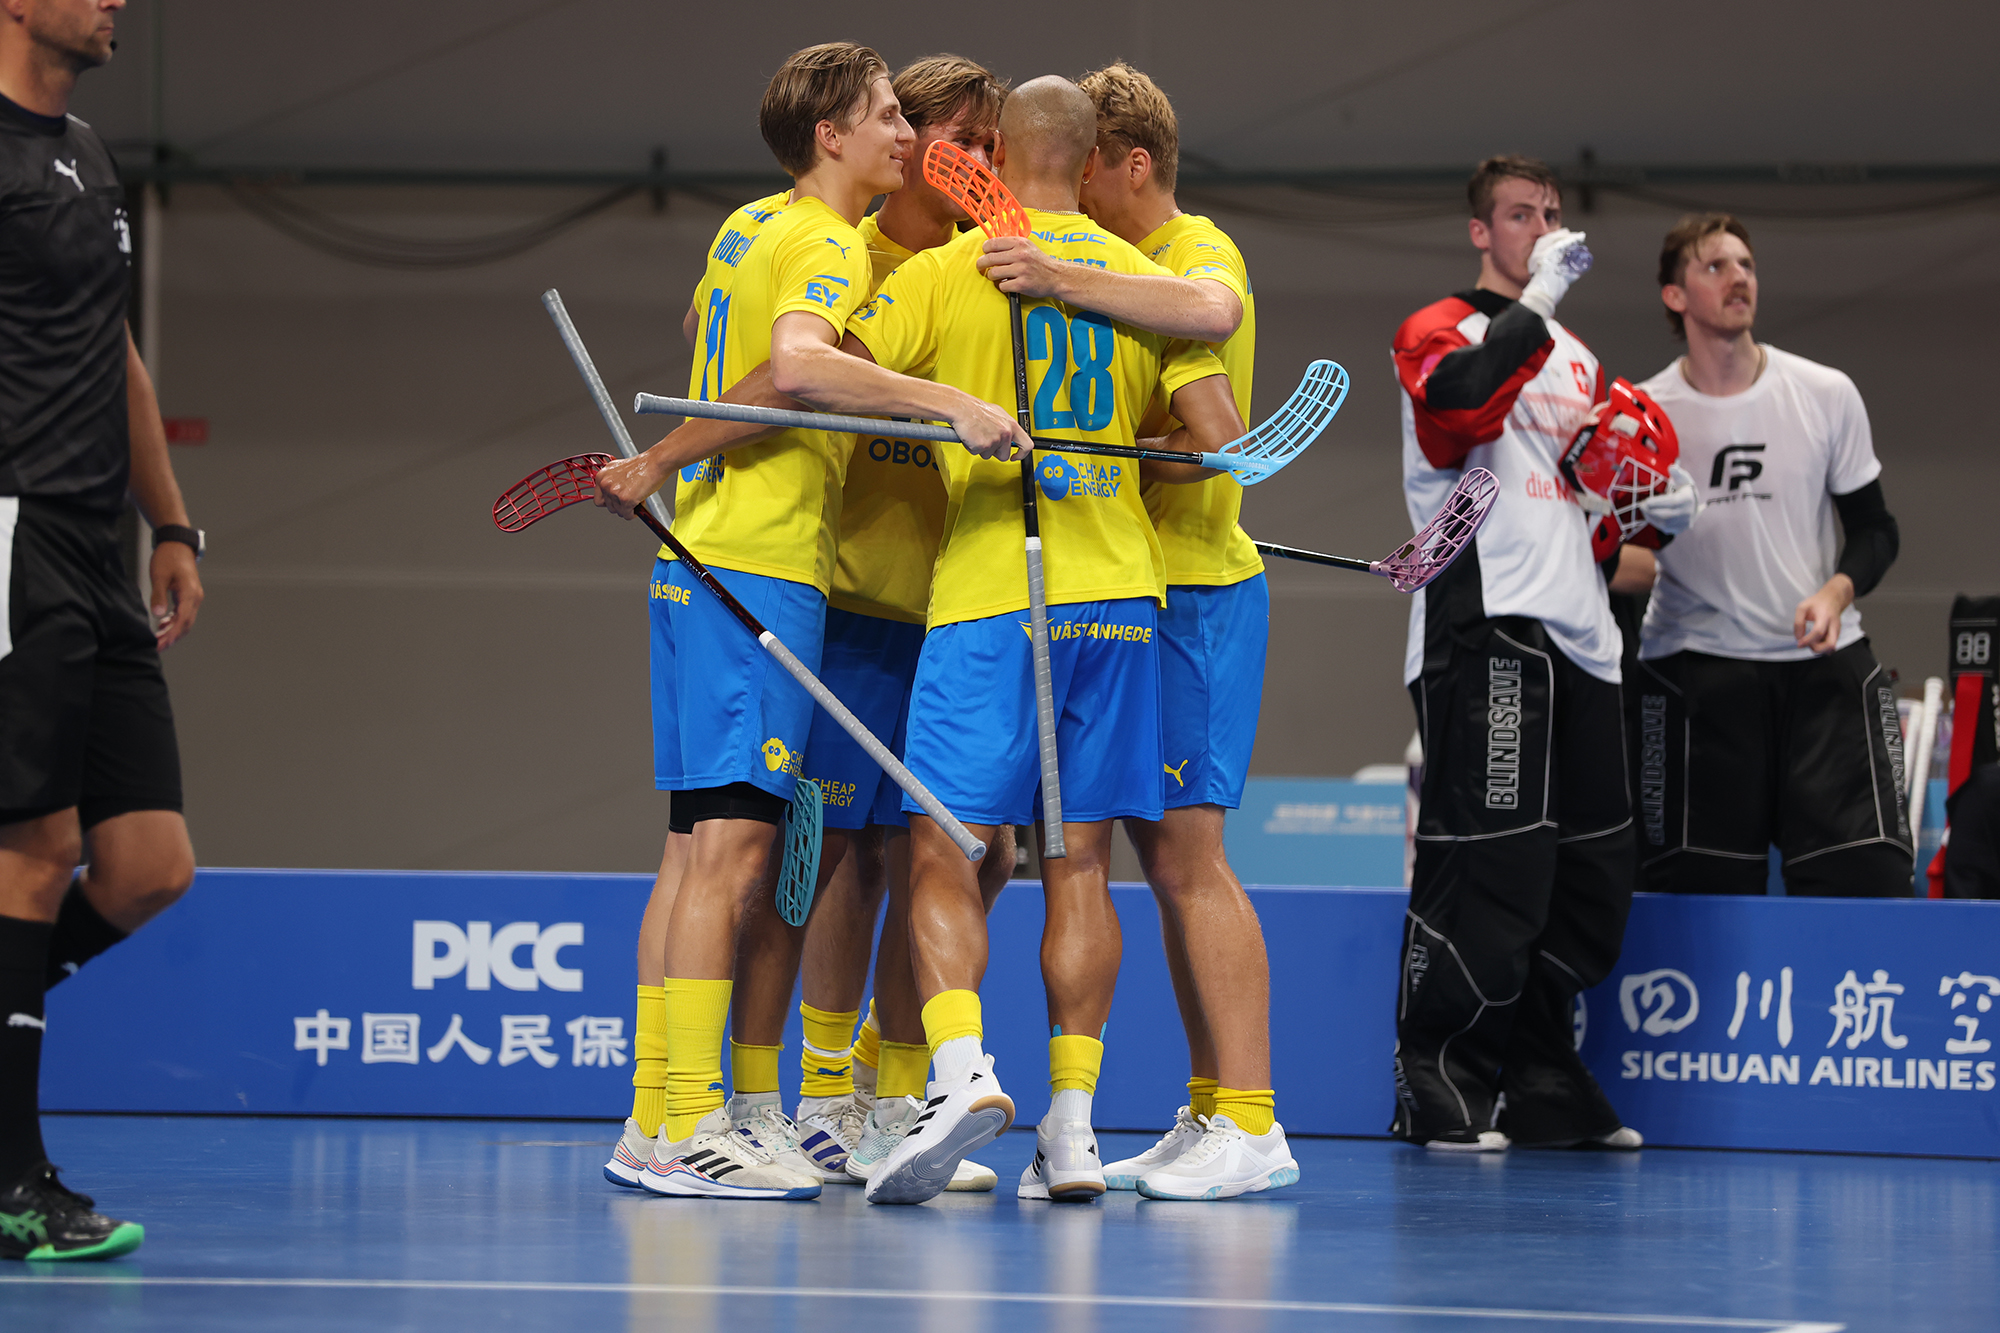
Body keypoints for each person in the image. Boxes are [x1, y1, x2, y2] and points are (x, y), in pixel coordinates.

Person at [781, 74, 1245, 1204]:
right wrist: (1114, 451)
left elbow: (832, 374)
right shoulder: (1139, 279)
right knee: (1080, 862)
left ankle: (958, 1075)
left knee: (945, 848)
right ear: (1089, 163)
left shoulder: (951, 270)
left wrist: (943, 403)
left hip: (992, 595)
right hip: (1121, 599)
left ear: (1002, 156)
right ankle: (1072, 1130)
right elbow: (1217, 439)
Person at [589, 41, 1026, 1203]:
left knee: (701, 852)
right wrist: (947, 403)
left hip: (736, 565)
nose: (913, 140)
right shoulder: (833, 244)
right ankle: (704, 1118)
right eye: (895, 119)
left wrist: (661, 461)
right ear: (836, 135)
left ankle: (660, 1114)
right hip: (772, 572)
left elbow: (732, 344)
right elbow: (789, 369)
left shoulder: (752, 224)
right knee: (753, 859)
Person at [982, 59, 1295, 1201]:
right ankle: (1209, 1106)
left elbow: (1212, 331)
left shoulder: (1193, 250)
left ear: (1133, 164)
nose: (1069, 192)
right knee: (1163, 861)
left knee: (1193, 860)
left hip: (1201, 590)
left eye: (1086, 173)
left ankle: (1253, 1122)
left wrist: (1057, 275)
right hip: (1139, 592)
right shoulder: (1119, 265)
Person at [1388, 155, 1688, 1153]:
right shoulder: (1440, 326)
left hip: (1583, 633)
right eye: (1521, 214)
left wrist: (1654, 511)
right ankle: (1440, 1076)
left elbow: (1588, 493)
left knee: (1593, 871)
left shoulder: (1578, 360)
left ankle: (1540, 1074)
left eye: (1552, 214)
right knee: (1493, 861)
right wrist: (1541, 298)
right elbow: (1458, 412)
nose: (1543, 230)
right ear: (1481, 231)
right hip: (1486, 622)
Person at [1, 0, 204, 1261]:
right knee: (35, 845)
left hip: (96, 544)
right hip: (10, 527)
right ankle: (14, 1180)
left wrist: (170, 522)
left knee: (146, 866)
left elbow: (113, 348)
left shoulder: (85, 152)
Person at [1631, 214, 1909, 897]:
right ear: (1674, 295)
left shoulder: (1824, 393)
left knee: (1866, 883)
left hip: (1820, 669)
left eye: (1747, 265)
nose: (1739, 279)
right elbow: (1617, 555)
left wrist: (1835, 592)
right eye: (1715, 266)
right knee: (1696, 900)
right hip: (1695, 675)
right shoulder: (1642, 416)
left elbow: (1876, 530)